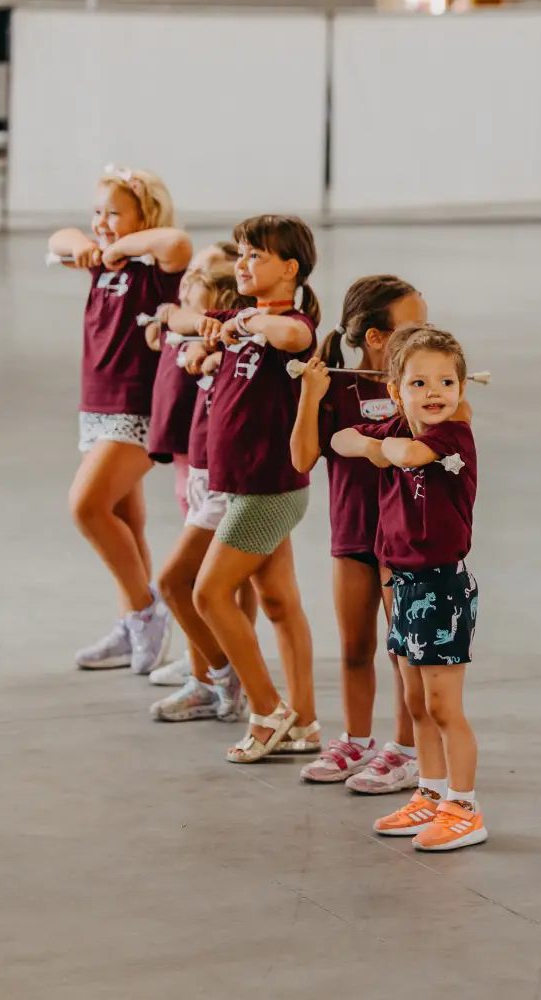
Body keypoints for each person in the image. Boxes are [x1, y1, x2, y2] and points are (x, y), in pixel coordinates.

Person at [164, 215, 321, 763]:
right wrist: (204, 326)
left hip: (267, 491)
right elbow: (178, 317)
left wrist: (245, 323)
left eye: (256, 255)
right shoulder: (234, 318)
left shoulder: (289, 324)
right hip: (244, 489)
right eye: (241, 254)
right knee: (278, 602)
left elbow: (293, 335)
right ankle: (304, 723)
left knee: (208, 594)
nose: (243, 264)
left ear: (290, 269)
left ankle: (267, 709)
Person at [332, 326, 484, 851]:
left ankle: (465, 806)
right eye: (419, 382)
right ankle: (431, 792)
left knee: (445, 706)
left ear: (463, 387)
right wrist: (376, 443)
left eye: (446, 381)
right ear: (395, 390)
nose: (435, 392)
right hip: (402, 583)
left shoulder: (451, 437)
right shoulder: (397, 427)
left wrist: (382, 446)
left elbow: (410, 456)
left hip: (442, 585)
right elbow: (340, 440)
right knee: (416, 701)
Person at [49, 166, 191, 675]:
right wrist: (91, 244)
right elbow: (59, 238)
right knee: (125, 520)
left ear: (142, 217)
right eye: (98, 212)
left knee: (86, 506)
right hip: (99, 403)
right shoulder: (98, 262)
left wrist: (117, 248)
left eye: (115, 213)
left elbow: (176, 239)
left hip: (136, 405)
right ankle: (128, 622)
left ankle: (144, 612)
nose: (102, 223)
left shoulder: (155, 269)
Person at [291, 276, 428, 792]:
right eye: (413, 326)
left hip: (405, 539)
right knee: (354, 647)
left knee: (402, 650)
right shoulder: (337, 388)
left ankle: (406, 749)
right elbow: (303, 457)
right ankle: (357, 740)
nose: (425, 333)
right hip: (351, 534)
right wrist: (310, 396)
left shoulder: (418, 386)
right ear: (375, 337)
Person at [147, 262, 259, 723]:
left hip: (223, 485)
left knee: (176, 582)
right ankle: (206, 680)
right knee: (192, 584)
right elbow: (167, 322)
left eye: (200, 312)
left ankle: (226, 673)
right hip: (199, 477)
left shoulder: (232, 353)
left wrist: (215, 354)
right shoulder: (194, 344)